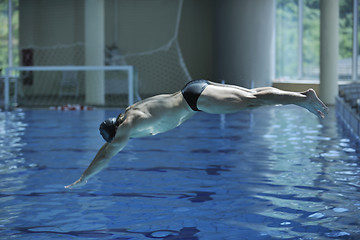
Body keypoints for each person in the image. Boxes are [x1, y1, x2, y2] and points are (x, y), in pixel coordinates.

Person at [65, 79, 328, 189]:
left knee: (251, 99)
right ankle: (303, 98)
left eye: (117, 139)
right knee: (252, 98)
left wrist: (84, 177)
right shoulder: (130, 113)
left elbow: (106, 154)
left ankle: (303, 98)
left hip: (194, 99)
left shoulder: (127, 125)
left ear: (115, 130)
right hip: (195, 94)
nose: (122, 141)